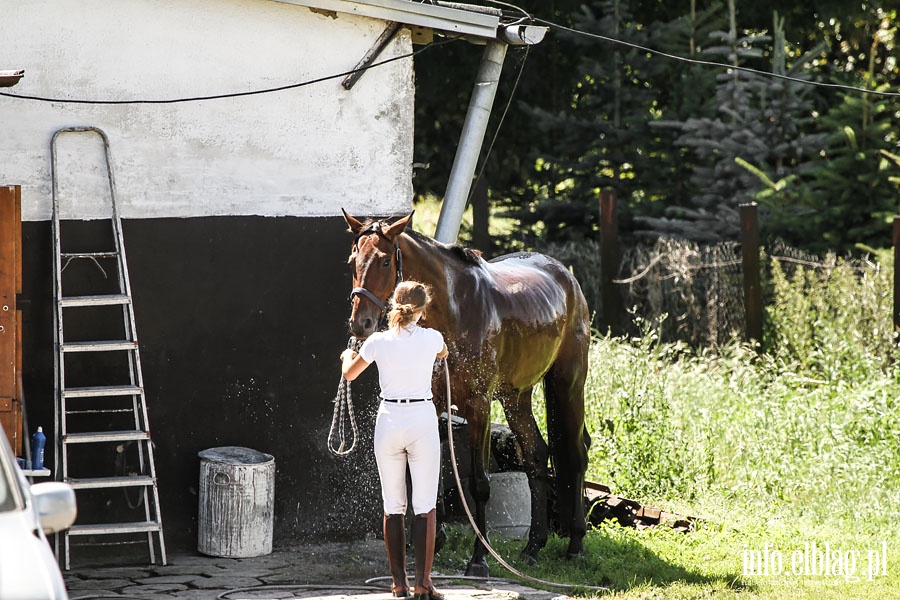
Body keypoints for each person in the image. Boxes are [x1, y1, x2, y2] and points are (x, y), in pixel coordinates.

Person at [341, 280, 449, 600]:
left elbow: (349, 373)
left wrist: (347, 354)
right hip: (421, 420)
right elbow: (444, 351)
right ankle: (423, 583)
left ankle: (398, 584)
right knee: (425, 506)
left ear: (392, 306)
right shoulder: (432, 338)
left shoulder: (376, 341)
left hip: (389, 420)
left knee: (393, 506)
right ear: (422, 310)